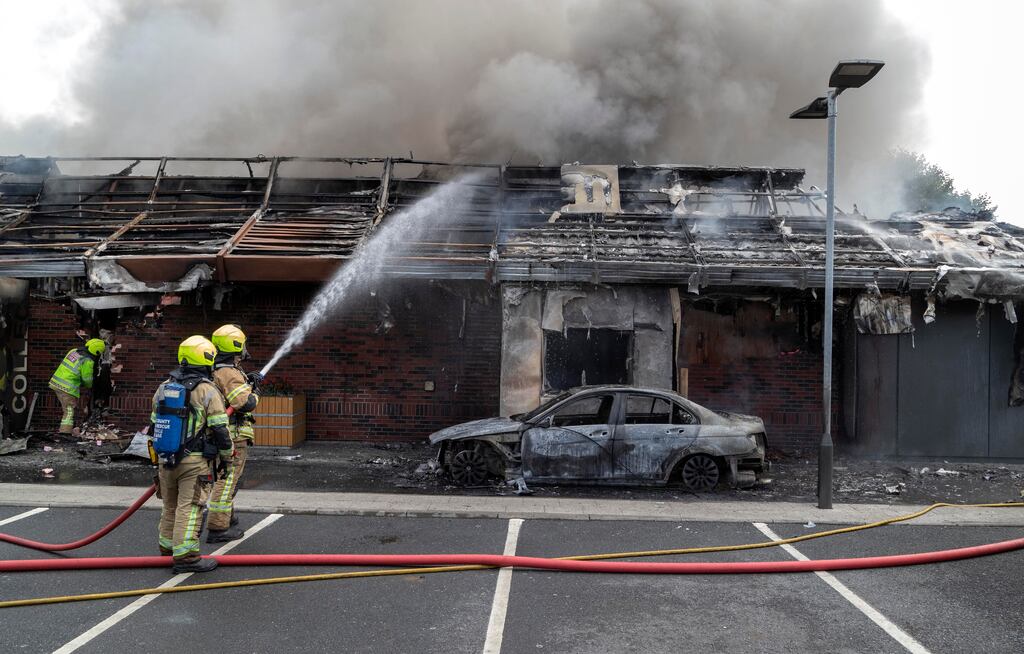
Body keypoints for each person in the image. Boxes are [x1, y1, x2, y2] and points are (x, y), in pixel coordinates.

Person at [151, 335, 234, 574]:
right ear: (207, 359)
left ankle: (167, 550)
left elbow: (154, 426)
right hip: (194, 462)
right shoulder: (207, 390)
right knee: (191, 507)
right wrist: (227, 458)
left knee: (170, 506)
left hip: (166, 460)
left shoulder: (163, 387)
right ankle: (186, 557)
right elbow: (220, 428)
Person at [206, 324, 263, 542]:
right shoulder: (228, 372)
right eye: (243, 343)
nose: (245, 348)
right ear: (236, 345)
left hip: (223, 434)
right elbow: (244, 403)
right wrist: (255, 391)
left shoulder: (217, 369)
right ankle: (218, 528)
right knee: (227, 480)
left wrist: (247, 381)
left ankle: (226, 517)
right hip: (233, 435)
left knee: (228, 478)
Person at [48, 338, 105, 434]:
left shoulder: (74, 351)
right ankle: (64, 433)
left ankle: (69, 431)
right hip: (67, 387)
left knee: (68, 409)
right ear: (97, 351)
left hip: (56, 382)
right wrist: (90, 385)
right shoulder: (88, 361)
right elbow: (87, 380)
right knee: (69, 411)